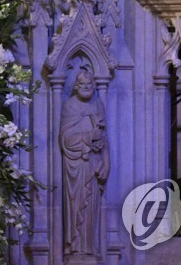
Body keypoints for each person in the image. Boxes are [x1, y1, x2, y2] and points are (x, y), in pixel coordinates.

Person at [60, 68, 109, 256]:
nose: (87, 87)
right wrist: (89, 136)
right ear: (76, 86)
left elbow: (105, 137)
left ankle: (90, 248)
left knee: (92, 209)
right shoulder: (69, 106)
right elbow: (65, 139)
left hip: (94, 165)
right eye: (83, 85)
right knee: (76, 207)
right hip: (76, 166)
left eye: (90, 85)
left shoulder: (98, 104)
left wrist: (107, 162)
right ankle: (74, 247)